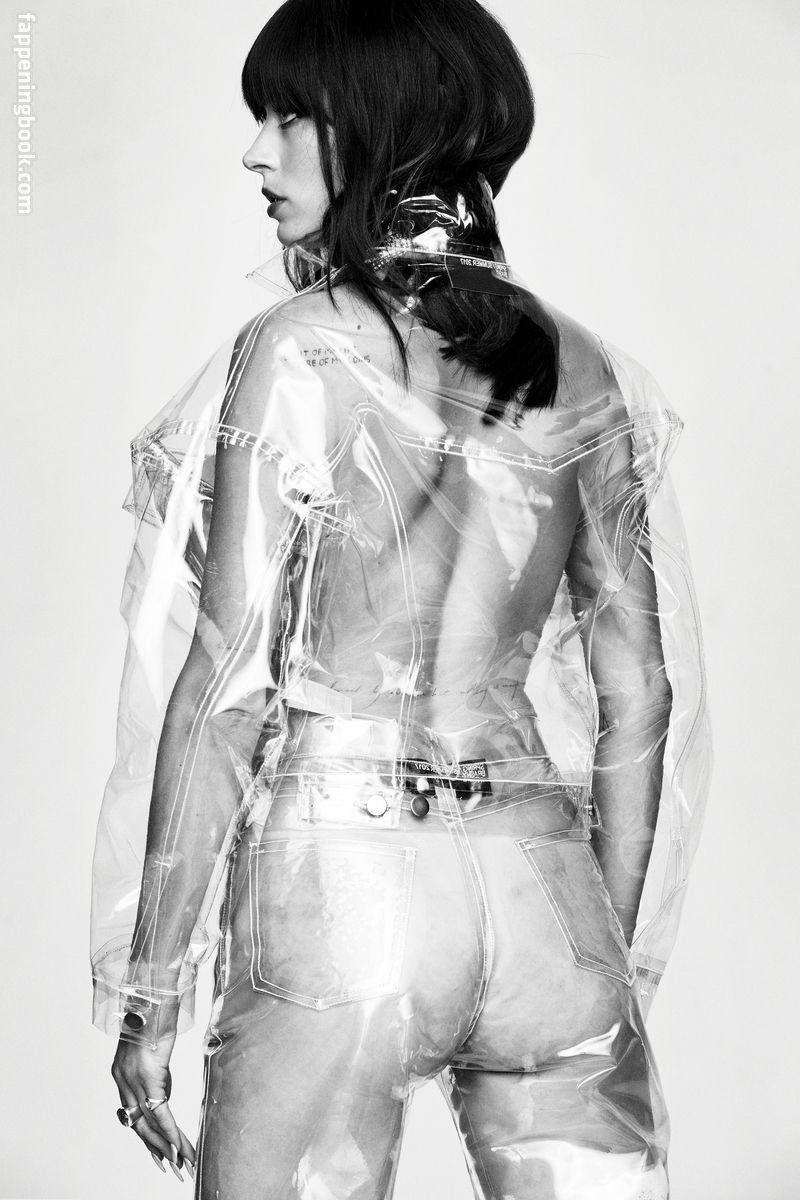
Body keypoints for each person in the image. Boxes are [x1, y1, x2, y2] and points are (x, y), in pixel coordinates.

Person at [90, 1, 711, 1196]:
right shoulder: (583, 367)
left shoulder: (300, 348)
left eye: (288, 116)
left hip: (341, 882)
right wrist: (608, 962)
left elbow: (226, 685)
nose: (255, 154)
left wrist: (148, 992)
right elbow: (639, 689)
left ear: (379, 125)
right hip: (544, 889)